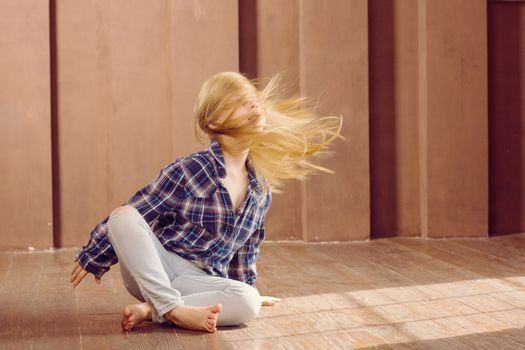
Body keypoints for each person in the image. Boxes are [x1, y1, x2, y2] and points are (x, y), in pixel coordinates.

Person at [70, 71, 343, 333]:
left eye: (252, 99)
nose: (251, 104)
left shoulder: (260, 188)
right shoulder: (191, 170)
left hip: (201, 281)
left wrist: (246, 291)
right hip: (157, 269)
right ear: (213, 122)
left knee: (249, 302)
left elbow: (246, 250)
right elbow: (142, 208)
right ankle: (170, 308)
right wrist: (93, 255)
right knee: (123, 216)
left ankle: (155, 310)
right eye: (238, 102)